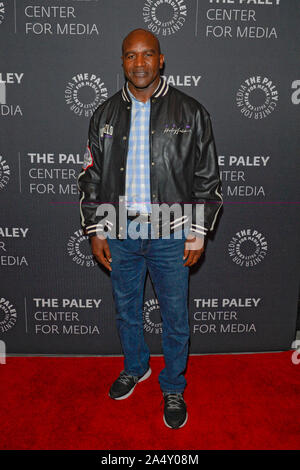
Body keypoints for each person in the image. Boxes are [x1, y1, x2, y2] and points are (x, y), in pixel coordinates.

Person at [77, 29, 222, 429]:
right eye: (130, 56)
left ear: (162, 60)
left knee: (175, 316)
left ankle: (173, 384)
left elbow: (207, 179)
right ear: (122, 61)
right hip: (121, 231)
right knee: (127, 311)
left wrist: (198, 231)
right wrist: (97, 230)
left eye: (147, 55)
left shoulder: (191, 112)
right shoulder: (103, 114)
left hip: (171, 232)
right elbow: (90, 178)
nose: (139, 63)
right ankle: (136, 366)